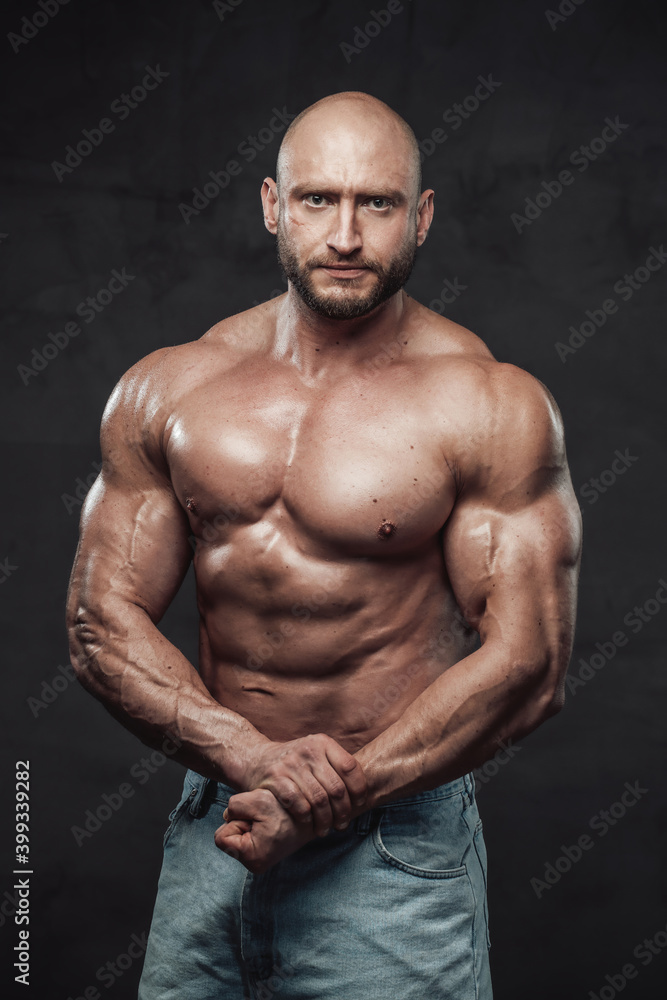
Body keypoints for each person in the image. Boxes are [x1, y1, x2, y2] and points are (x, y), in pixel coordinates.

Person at [66, 91, 582, 999]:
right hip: (218, 822)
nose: (344, 234)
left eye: (376, 204)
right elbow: (96, 620)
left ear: (419, 217)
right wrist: (252, 760)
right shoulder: (170, 389)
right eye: (316, 200)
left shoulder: (487, 404)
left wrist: (328, 797)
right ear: (272, 204)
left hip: (392, 853)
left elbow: (528, 664)